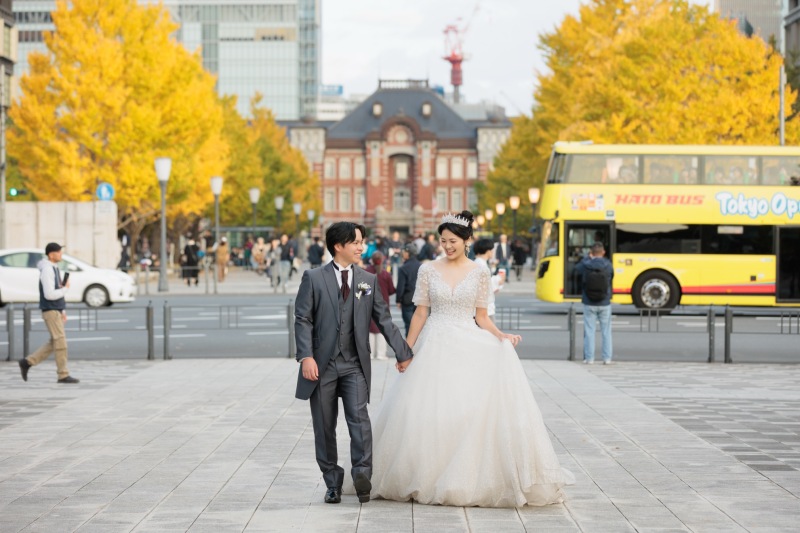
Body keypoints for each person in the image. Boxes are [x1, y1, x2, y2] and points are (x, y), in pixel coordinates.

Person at [369, 211, 574, 507]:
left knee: (465, 412)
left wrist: (500, 336)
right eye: (443, 241)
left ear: (467, 241)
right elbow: (421, 313)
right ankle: (422, 474)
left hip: (467, 343)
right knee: (427, 411)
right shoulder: (428, 269)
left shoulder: (479, 272)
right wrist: (406, 349)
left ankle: (460, 477)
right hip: (434, 344)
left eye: (452, 241)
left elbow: (481, 316)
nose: (447, 246)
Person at [294, 222, 414, 505]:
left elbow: (383, 320)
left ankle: (362, 475)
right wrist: (306, 356)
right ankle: (332, 482)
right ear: (339, 246)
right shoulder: (313, 277)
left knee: (359, 421)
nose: (362, 247)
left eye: (363, 242)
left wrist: (403, 352)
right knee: (324, 426)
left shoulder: (368, 280)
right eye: (357, 242)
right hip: (321, 366)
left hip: (354, 365)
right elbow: (303, 319)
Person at [18, 243, 80, 384]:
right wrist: (66, 289)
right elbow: (49, 294)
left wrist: (62, 310)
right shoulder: (47, 270)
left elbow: (55, 291)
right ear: (51, 254)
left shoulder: (53, 268)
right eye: (59, 252)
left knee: (54, 342)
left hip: (55, 309)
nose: (61, 254)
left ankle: (27, 362)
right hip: (50, 310)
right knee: (61, 343)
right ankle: (63, 374)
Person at [575, 242, 614, 365]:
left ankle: (589, 358)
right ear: (603, 252)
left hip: (589, 302)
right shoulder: (608, 265)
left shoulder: (586, 264)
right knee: (606, 331)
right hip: (604, 302)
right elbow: (611, 278)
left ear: (591, 252)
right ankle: (607, 358)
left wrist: (588, 257)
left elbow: (576, 270)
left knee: (589, 331)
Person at [364, 251, 396, 360]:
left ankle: (370, 354)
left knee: (370, 329)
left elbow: (361, 288)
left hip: (368, 303)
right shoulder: (385, 274)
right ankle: (381, 354)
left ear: (371, 260)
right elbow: (391, 290)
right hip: (383, 304)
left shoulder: (366, 272)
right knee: (382, 329)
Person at [472, 238, 504, 319]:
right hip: (484, 310)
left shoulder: (478, 263)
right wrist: (499, 280)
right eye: (492, 250)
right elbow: (485, 287)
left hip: (482, 309)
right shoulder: (481, 265)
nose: (493, 252)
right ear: (488, 250)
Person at [395, 243, 421, 335]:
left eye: (404, 251)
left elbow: (400, 286)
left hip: (407, 299)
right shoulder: (421, 266)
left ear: (408, 253)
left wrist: (398, 300)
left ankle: (409, 347)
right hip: (420, 299)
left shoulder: (404, 268)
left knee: (409, 325)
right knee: (419, 325)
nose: (403, 253)